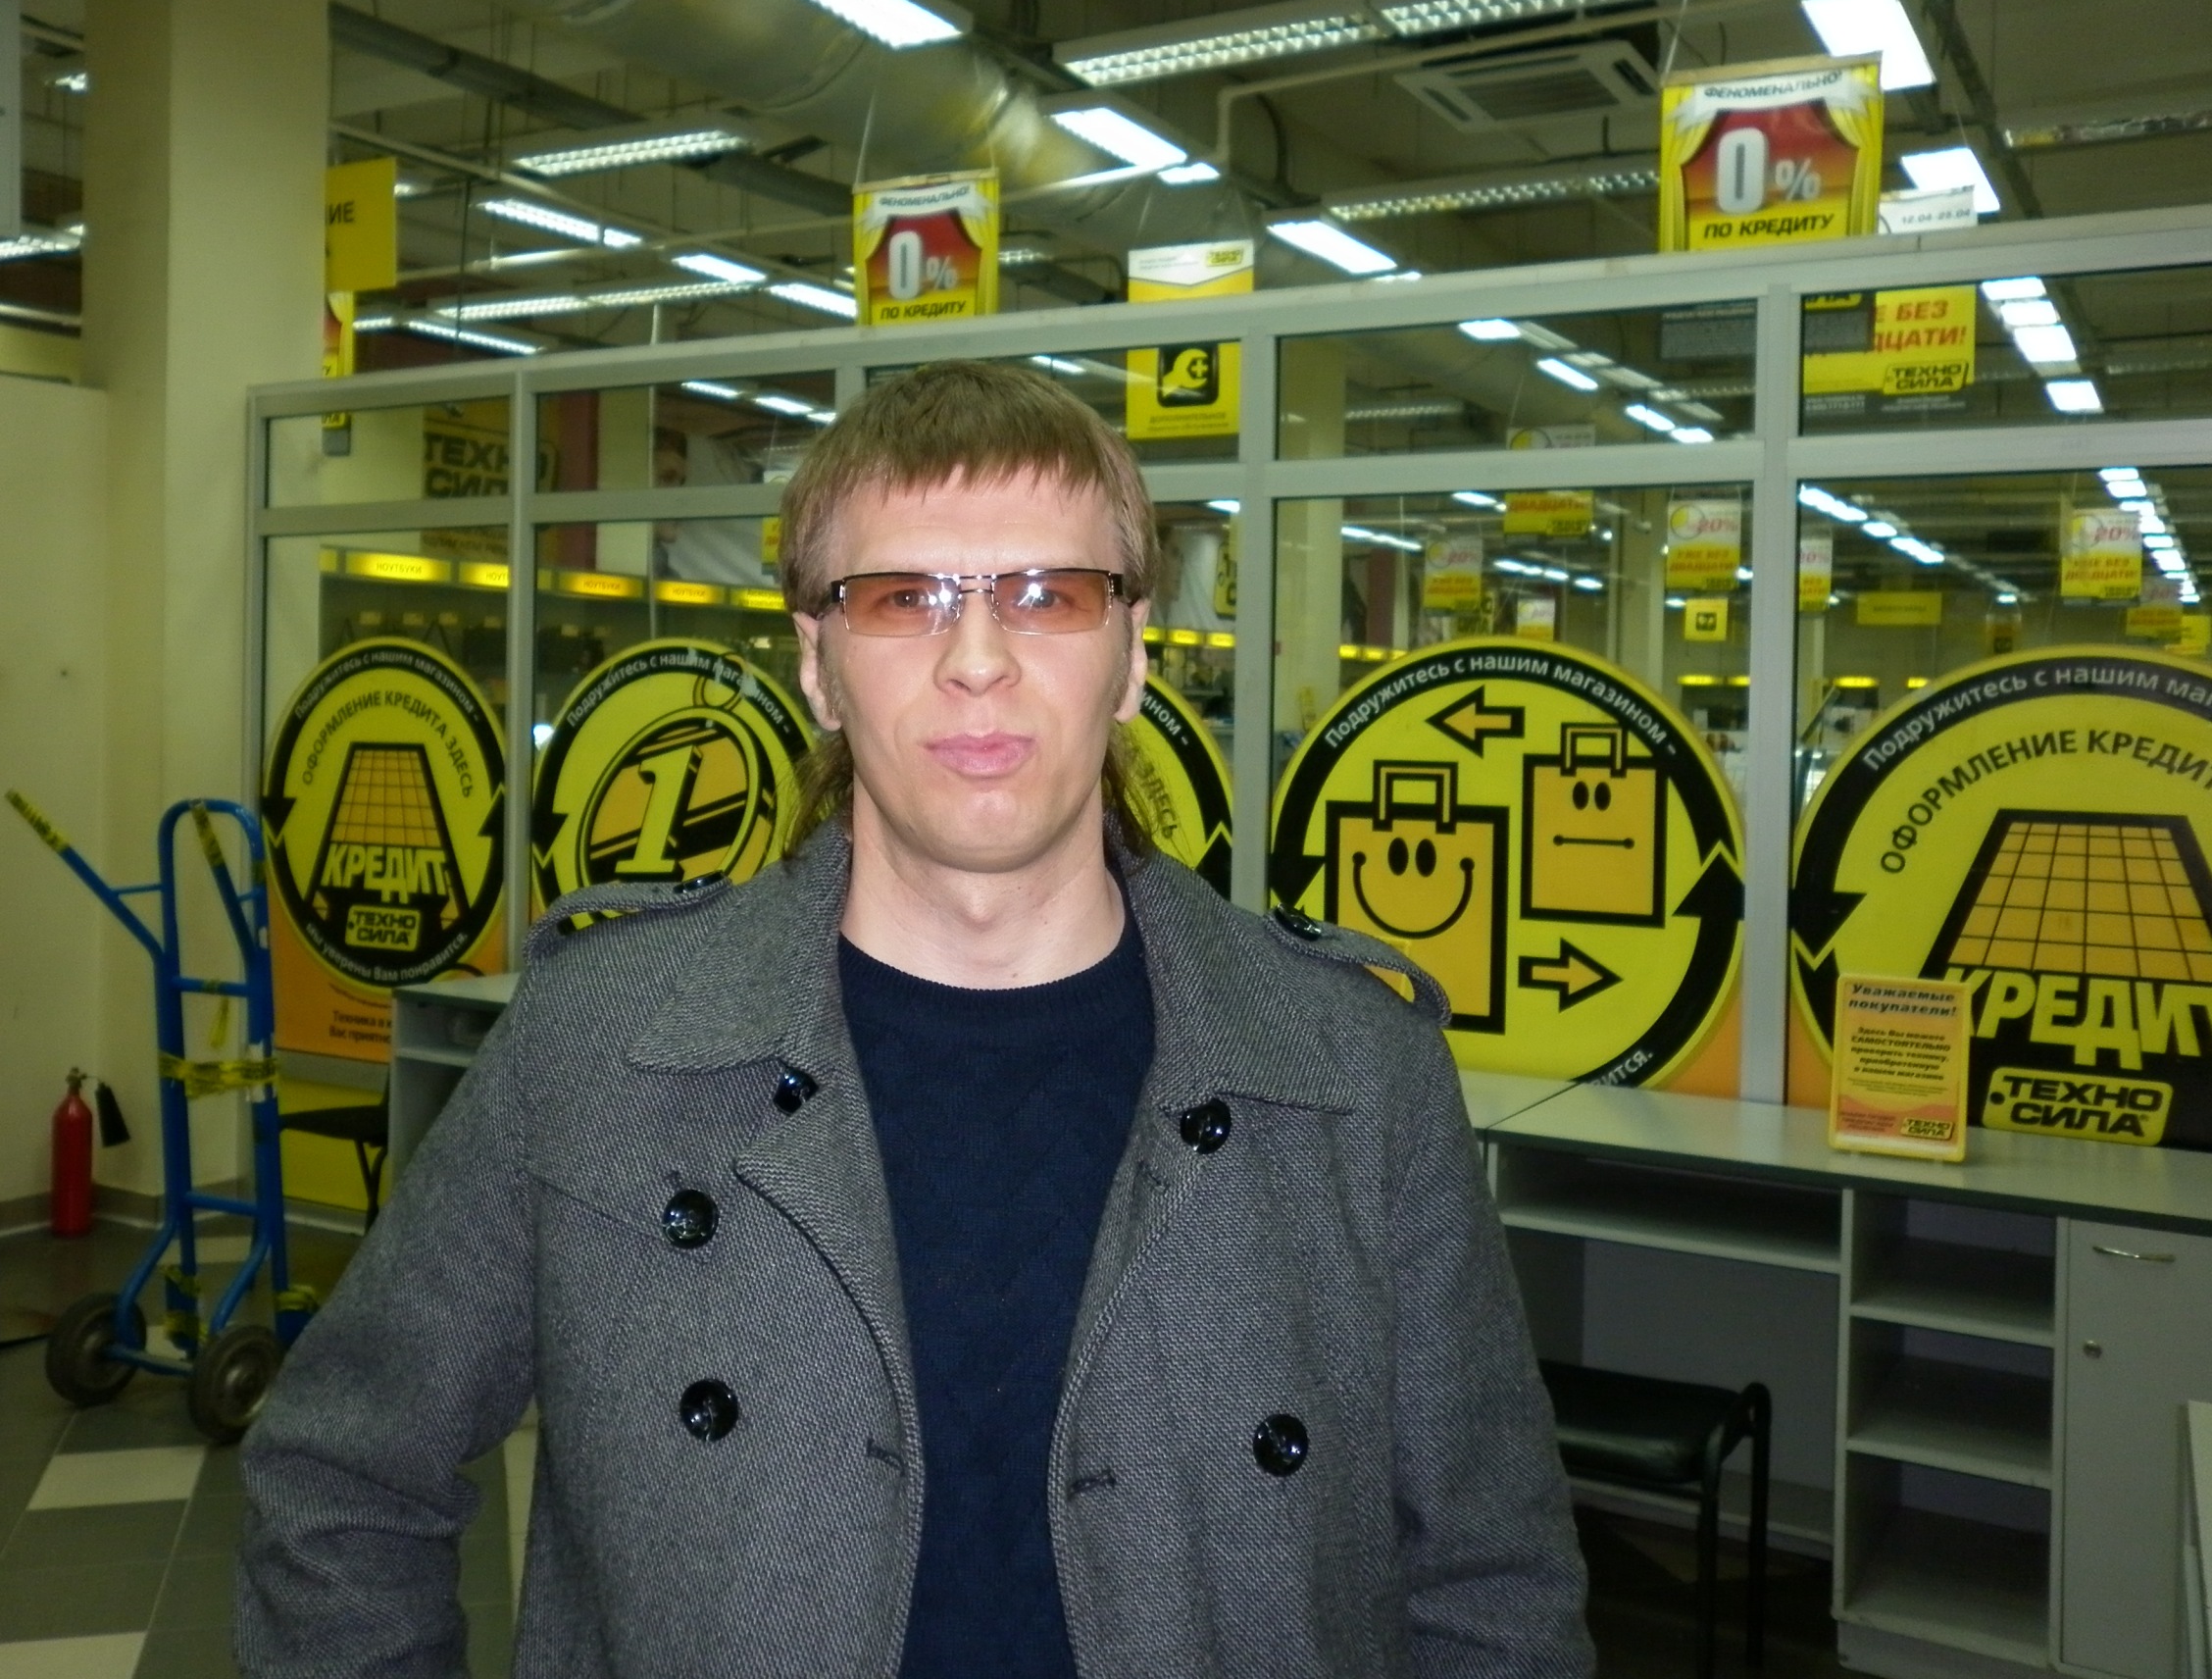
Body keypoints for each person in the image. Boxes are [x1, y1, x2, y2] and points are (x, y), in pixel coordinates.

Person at [237, 359, 1590, 1678]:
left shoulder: (1354, 1070)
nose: (979, 660)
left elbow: (1495, 1584)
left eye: (1048, 594)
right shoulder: (602, 1043)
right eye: (904, 598)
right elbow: (342, 1475)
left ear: (1131, 656)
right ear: (819, 667)